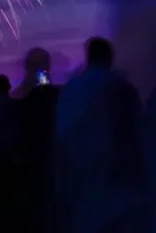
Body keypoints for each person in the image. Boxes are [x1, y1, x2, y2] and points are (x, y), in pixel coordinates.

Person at [55, 37, 147, 233]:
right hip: (118, 183)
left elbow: (62, 137)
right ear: (109, 58)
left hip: (82, 180)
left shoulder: (70, 90)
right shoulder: (121, 87)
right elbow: (138, 130)